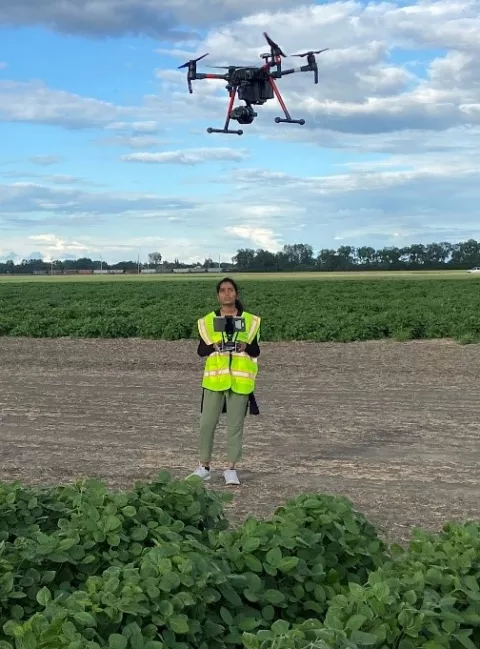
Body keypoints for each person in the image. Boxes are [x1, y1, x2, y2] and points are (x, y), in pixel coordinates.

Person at [190, 277, 261, 485]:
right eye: (223, 290)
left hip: (240, 382)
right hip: (214, 381)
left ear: (236, 294)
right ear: (218, 295)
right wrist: (214, 345)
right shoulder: (207, 321)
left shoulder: (250, 321)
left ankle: (231, 469)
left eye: (231, 290)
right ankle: (204, 467)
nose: (227, 294)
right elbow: (200, 351)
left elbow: (257, 350)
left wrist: (245, 346)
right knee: (206, 424)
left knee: (235, 427)